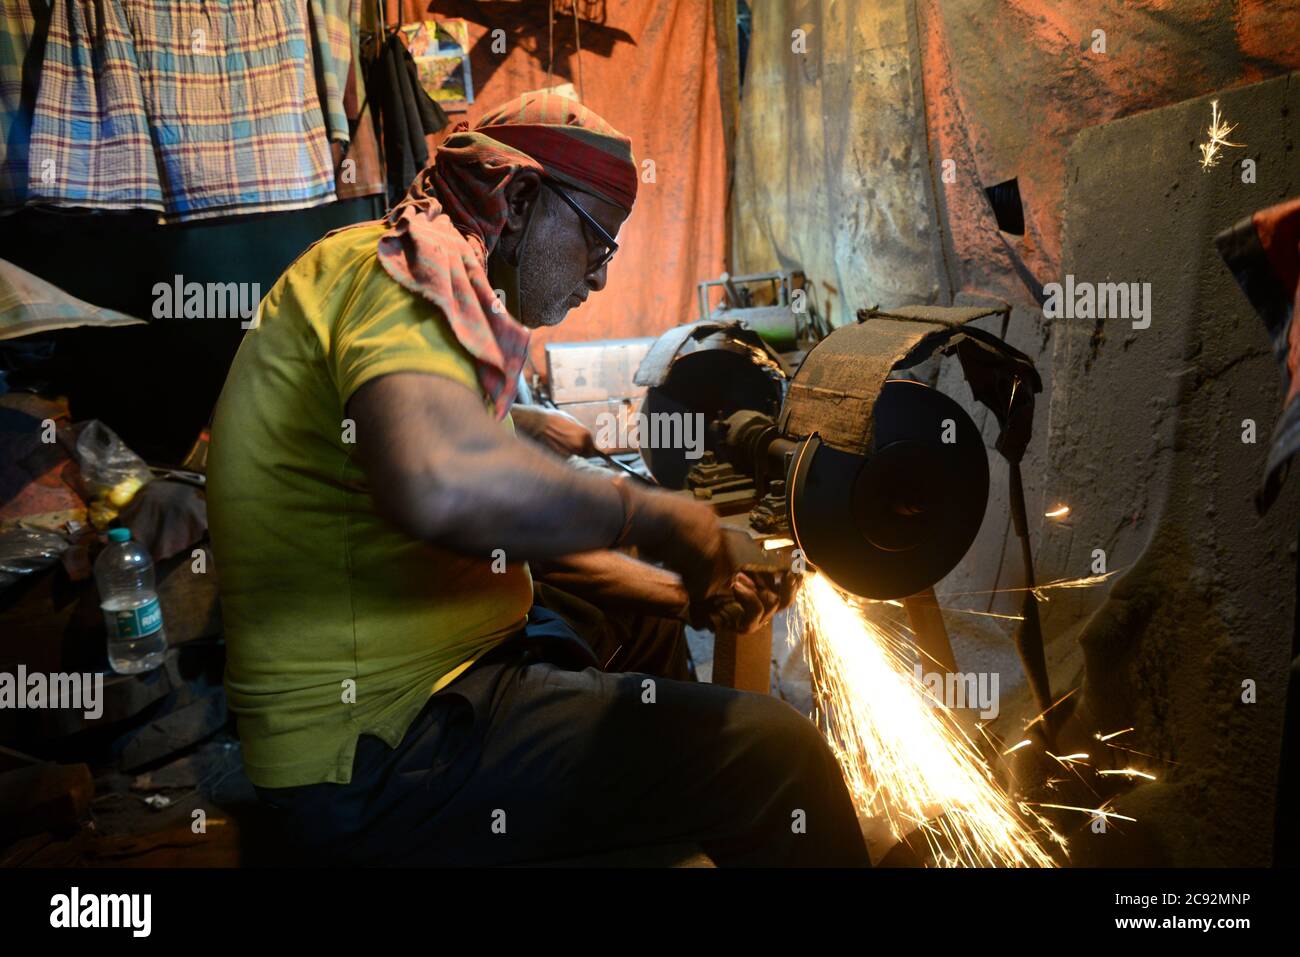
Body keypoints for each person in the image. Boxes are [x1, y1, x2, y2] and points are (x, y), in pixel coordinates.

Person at [207, 91, 868, 866]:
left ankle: (668, 815)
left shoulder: (426, 274)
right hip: (372, 755)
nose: (597, 278)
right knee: (780, 757)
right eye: (597, 244)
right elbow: (441, 483)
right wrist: (661, 518)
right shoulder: (402, 277)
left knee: (648, 623)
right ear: (520, 197)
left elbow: (507, 543)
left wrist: (684, 594)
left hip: (415, 684)